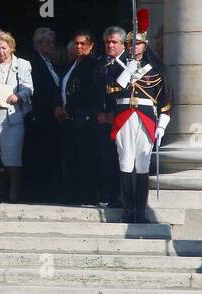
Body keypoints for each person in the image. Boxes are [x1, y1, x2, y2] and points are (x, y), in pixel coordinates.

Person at [104, 12, 171, 224]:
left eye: (138, 43)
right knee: (125, 161)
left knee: (142, 163)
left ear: (145, 44)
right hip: (124, 115)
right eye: (131, 43)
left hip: (146, 117)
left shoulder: (156, 69)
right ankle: (128, 210)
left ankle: (140, 211)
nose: (135, 47)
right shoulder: (116, 66)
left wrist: (162, 125)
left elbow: (166, 100)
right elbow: (112, 90)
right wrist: (127, 71)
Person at [0, 31, 33, 203]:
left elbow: (28, 88)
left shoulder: (23, 65)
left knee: (12, 155)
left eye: (4, 48)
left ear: (11, 48)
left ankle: (14, 188)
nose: (0, 52)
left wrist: (17, 96)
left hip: (12, 115)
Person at [58, 30, 99, 205]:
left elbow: (87, 92)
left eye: (83, 44)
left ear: (90, 46)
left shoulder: (92, 65)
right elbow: (62, 87)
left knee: (85, 157)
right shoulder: (71, 64)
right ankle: (71, 193)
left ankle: (87, 195)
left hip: (84, 118)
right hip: (69, 119)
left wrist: (69, 108)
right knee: (70, 157)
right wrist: (58, 106)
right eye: (76, 43)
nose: (79, 46)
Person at [23, 27, 62, 203]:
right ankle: (37, 192)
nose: (51, 45)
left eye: (53, 42)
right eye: (48, 42)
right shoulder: (33, 63)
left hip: (51, 117)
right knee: (39, 155)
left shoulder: (49, 62)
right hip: (39, 116)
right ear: (38, 45)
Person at [96, 26, 128, 210]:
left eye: (114, 42)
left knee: (121, 158)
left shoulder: (128, 63)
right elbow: (96, 91)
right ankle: (108, 194)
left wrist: (114, 113)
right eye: (107, 42)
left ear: (123, 44)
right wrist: (99, 111)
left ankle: (120, 195)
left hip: (122, 118)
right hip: (103, 120)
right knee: (106, 158)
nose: (110, 45)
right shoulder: (101, 63)